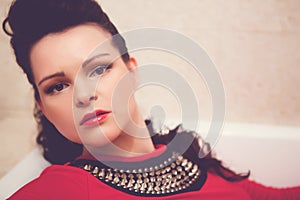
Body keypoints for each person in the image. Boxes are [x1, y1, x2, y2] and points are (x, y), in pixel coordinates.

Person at [2, 0, 300, 199]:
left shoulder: (187, 157)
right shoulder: (64, 189)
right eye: (58, 86)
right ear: (43, 107)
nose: (83, 94)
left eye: (99, 69)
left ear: (132, 70)